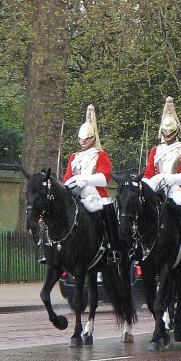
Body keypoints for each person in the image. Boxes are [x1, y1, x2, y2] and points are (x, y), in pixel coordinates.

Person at [142, 96, 181, 264]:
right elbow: (148, 173)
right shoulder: (155, 150)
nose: (167, 135)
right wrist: (148, 184)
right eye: (165, 132)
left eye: (170, 132)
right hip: (157, 188)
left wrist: (170, 178)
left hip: (177, 189)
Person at [61, 104, 116, 259]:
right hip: (76, 195)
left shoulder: (101, 155)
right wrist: (73, 182)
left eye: (86, 139)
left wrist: (85, 180)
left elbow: (105, 178)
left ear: (93, 138)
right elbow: (67, 179)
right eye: (81, 139)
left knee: (108, 213)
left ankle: (113, 248)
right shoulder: (74, 156)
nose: (83, 141)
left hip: (96, 196)